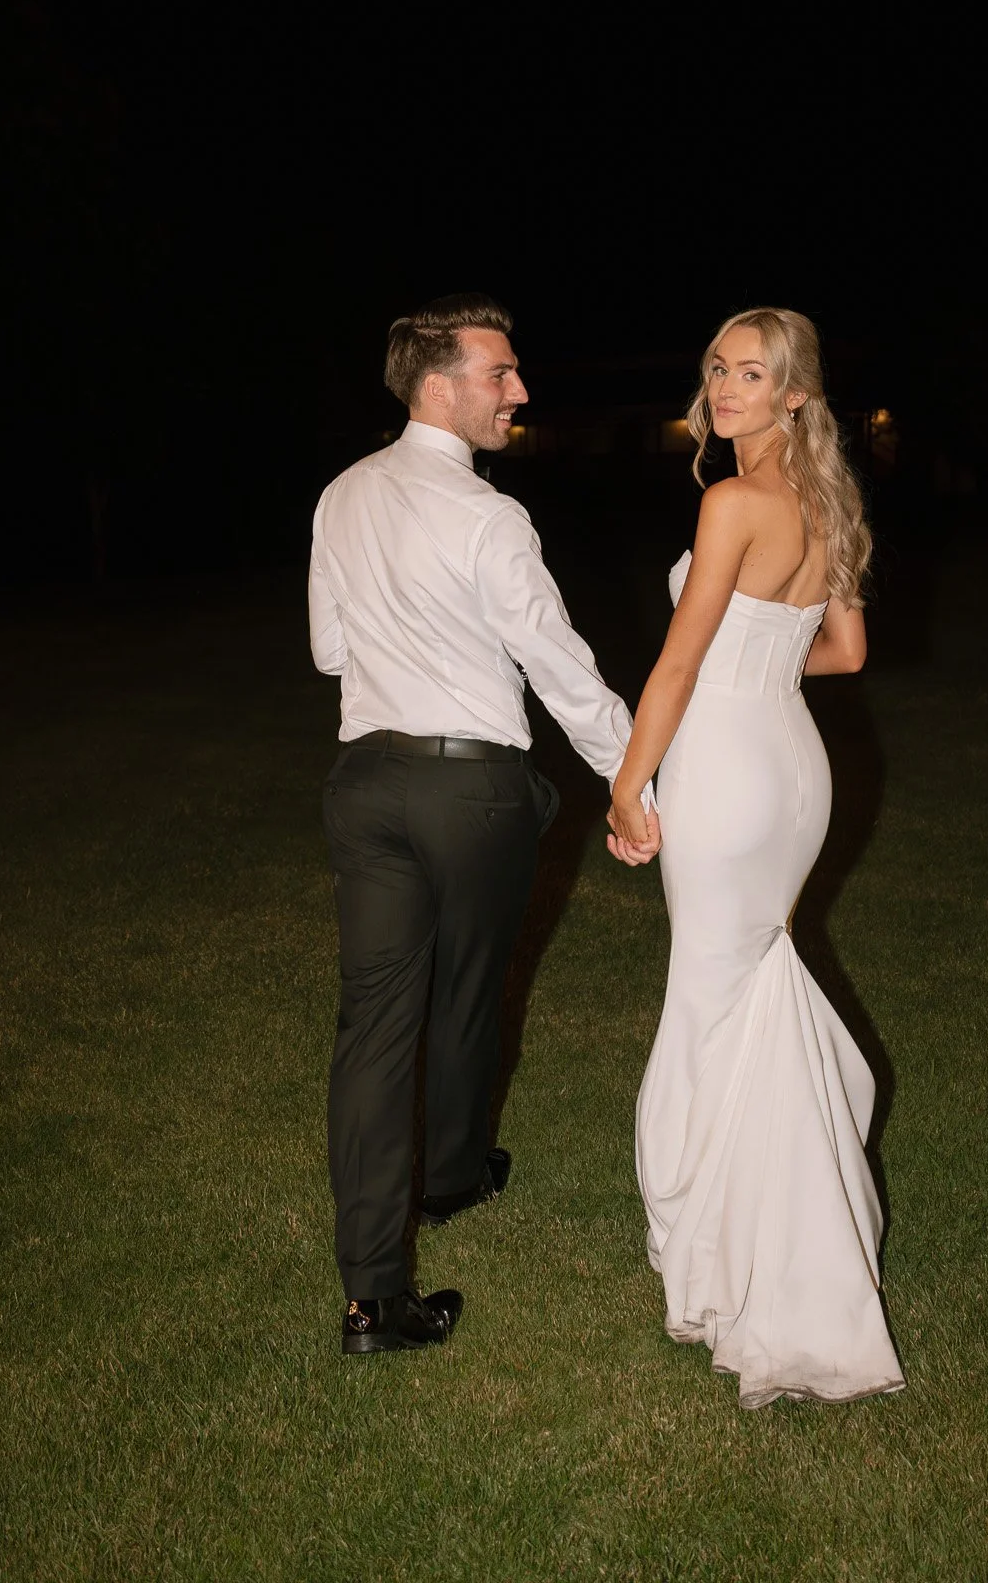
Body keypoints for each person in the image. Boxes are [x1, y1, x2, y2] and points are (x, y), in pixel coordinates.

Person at [309, 293, 659, 1356]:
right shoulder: (488, 515)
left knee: (374, 1029)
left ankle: (374, 1297)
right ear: (437, 383)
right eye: (499, 372)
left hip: (365, 785)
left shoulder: (341, 493)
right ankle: (452, 1177)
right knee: (465, 994)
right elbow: (557, 663)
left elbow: (331, 649)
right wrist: (634, 778)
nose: (519, 389)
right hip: (469, 790)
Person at [607, 307, 905, 1407]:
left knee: (707, 997)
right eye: (716, 369)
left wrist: (627, 779)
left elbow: (678, 668)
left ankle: (728, 1255)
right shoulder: (825, 500)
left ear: (793, 394)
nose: (723, 388)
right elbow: (846, 649)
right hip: (793, 767)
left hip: (726, 766)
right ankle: (773, 1216)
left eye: (750, 373)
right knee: (753, 981)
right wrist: (764, 668)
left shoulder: (731, 500)